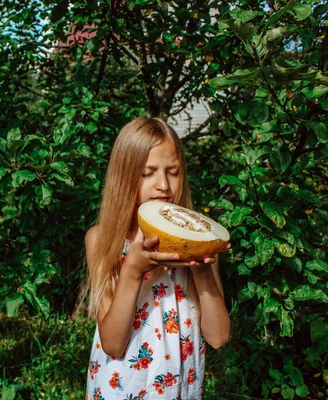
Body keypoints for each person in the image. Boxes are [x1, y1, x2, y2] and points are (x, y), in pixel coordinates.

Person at [84, 117, 230, 399]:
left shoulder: (200, 243)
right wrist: (133, 271)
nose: (163, 184)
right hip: (121, 390)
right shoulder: (102, 240)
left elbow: (219, 337)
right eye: (147, 173)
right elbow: (113, 344)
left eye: (173, 172)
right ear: (124, 177)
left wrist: (200, 270)